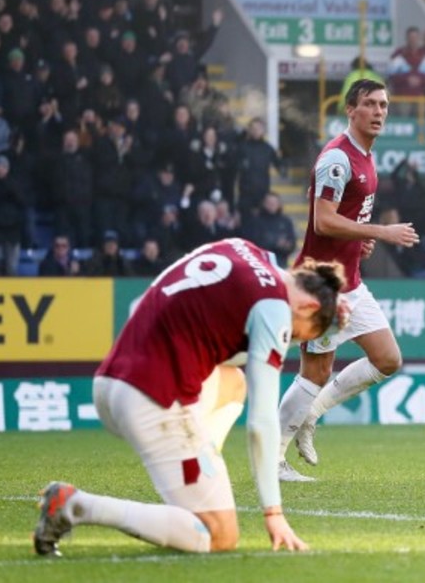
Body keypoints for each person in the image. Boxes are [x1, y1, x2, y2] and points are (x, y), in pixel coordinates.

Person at [32, 238, 344, 556]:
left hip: (110, 382)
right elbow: (262, 420)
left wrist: (331, 311)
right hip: (154, 399)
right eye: (296, 334)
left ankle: (199, 469)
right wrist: (273, 512)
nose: (287, 338)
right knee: (220, 535)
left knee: (233, 383)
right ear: (309, 306)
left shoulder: (243, 248)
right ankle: (75, 505)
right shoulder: (274, 307)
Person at [276, 79, 421, 482]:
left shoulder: (366, 157)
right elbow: (323, 221)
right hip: (319, 284)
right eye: (370, 104)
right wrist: (380, 232)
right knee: (314, 372)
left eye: (384, 105)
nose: (379, 112)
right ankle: (273, 459)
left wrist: (359, 242)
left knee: (387, 359)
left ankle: (311, 415)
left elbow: (343, 220)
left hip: (349, 282)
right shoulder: (337, 159)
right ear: (350, 110)